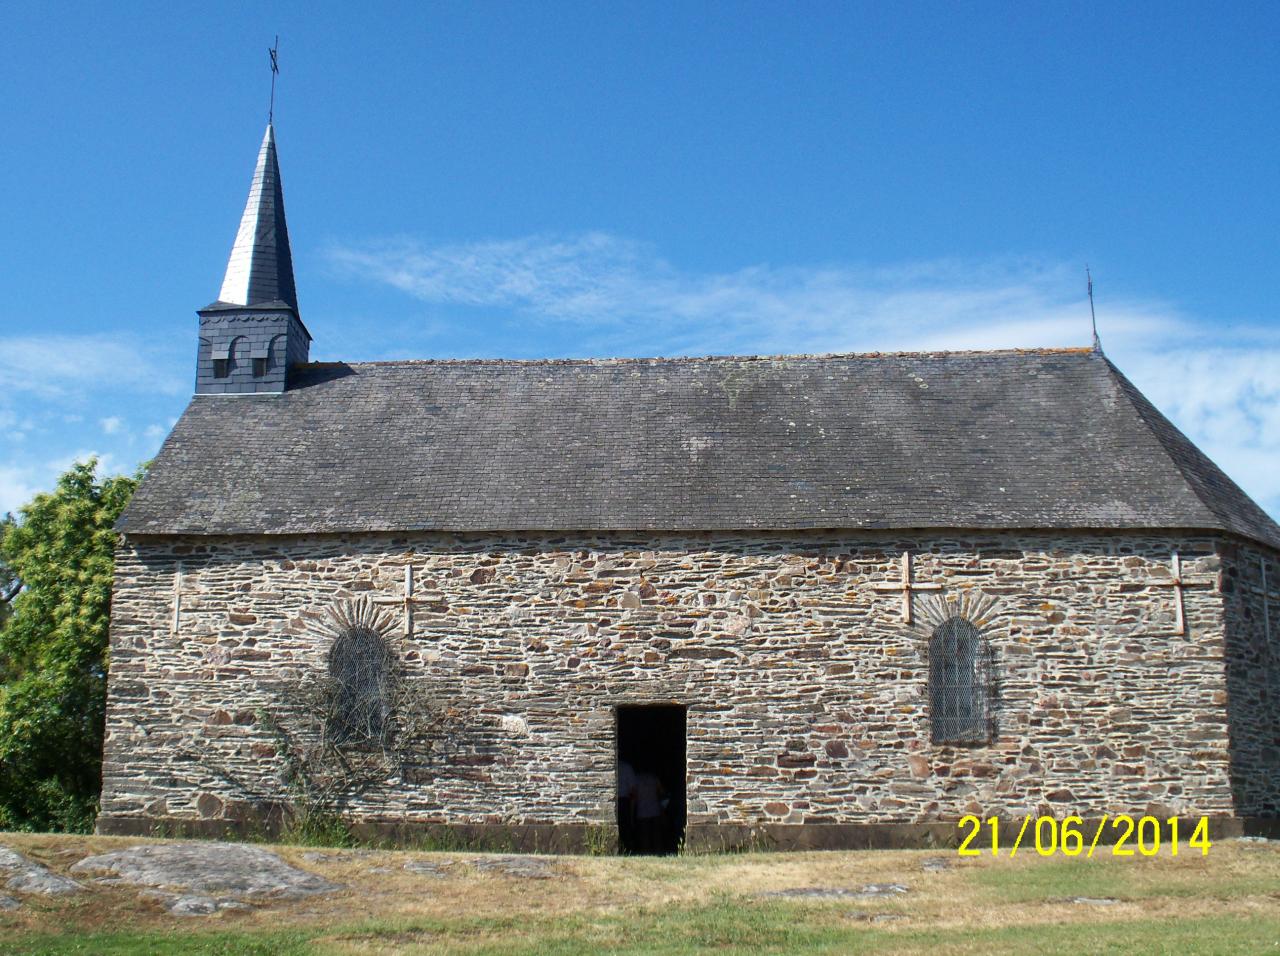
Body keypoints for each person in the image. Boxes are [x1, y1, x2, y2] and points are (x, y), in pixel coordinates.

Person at [632, 769, 666, 853]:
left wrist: (632, 811)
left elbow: (633, 796)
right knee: (657, 835)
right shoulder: (654, 778)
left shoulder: (636, 779)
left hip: (642, 811)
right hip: (655, 810)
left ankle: (645, 852)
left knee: (644, 836)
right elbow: (662, 792)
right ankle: (658, 852)